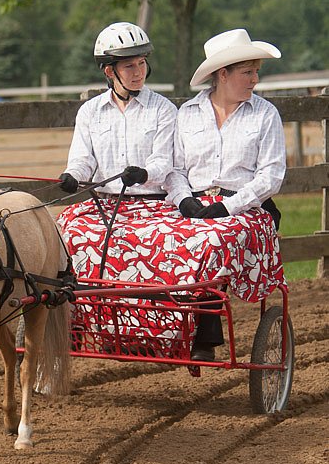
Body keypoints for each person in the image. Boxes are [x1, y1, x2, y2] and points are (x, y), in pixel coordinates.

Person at [165, 28, 287, 361]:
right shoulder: (187, 114)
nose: (255, 79)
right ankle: (159, 327)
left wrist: (228, 206)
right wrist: (183, 199)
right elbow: (174, 170)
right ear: (223, 75)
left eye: (256, 72)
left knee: (215, 240)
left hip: (250, 206)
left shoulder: (265, 114)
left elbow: (271, 176)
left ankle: (206, 335)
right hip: (195, 202)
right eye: (248, 72)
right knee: (158, 238)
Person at [58, 21, 177, 202]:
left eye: (142, 63)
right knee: (67, 229)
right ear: (109, 71)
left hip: (153, 204)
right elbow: (82, 160)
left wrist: (143, 175)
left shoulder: (163, 109)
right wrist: (72, 175)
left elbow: (163, 162)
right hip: (104, 204)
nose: (138, 72)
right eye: (129, 66)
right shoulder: (89, 112)